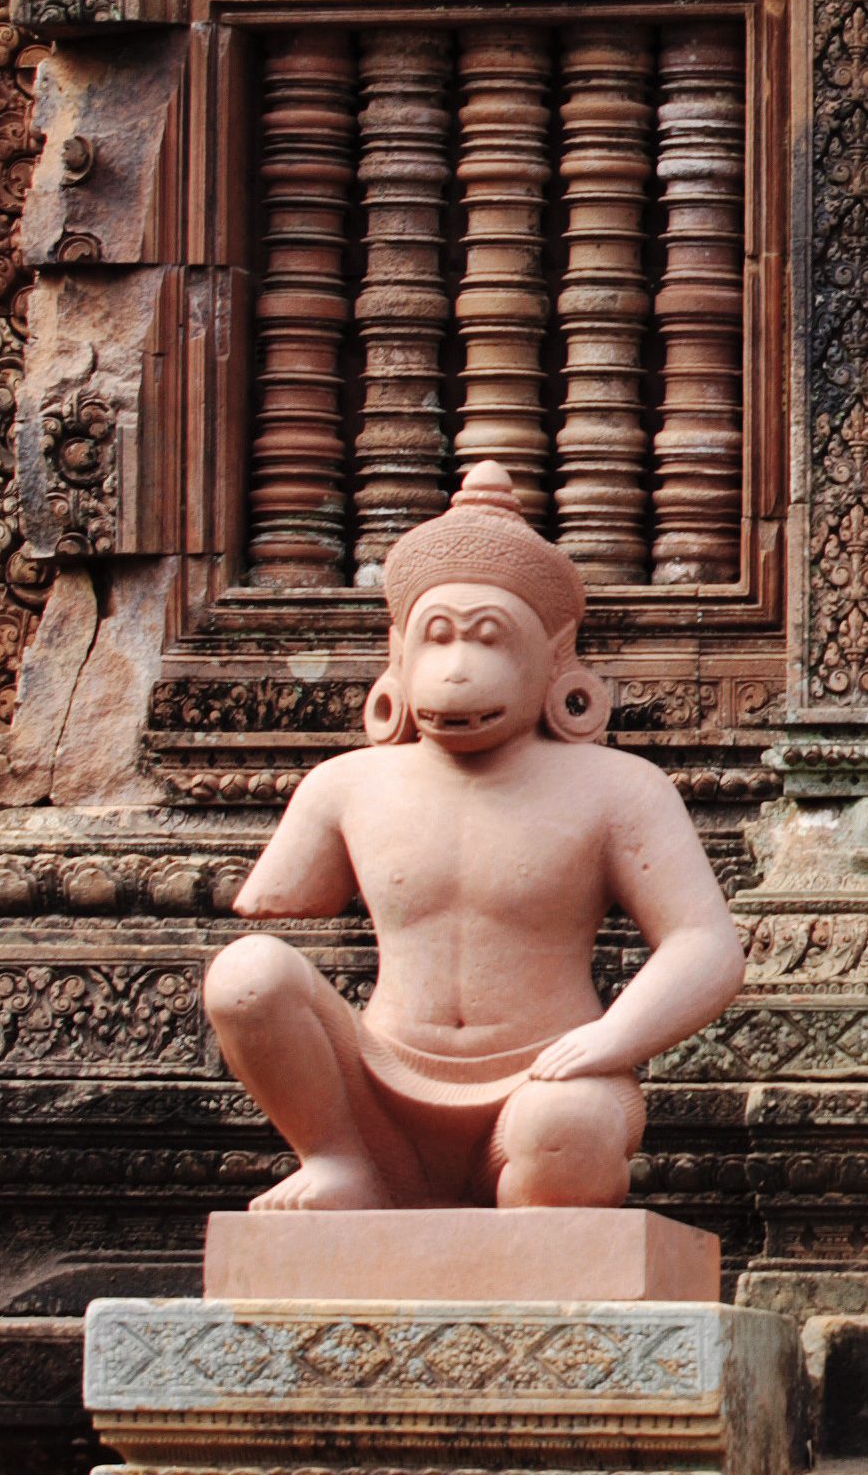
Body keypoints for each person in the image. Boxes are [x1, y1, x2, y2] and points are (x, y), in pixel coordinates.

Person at [203, 462, 745, 1209]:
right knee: (247, 974)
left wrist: (612, 1041)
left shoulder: (617, 787)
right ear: (399, 654)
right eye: (438, 638)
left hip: (545, 1078)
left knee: (568, 1136)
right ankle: (337, 1162)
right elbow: (275, 906)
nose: (458, 670)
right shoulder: (348, 784)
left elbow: (706, 945)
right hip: (377, 1088)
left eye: (490, 639)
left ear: (553, 659)